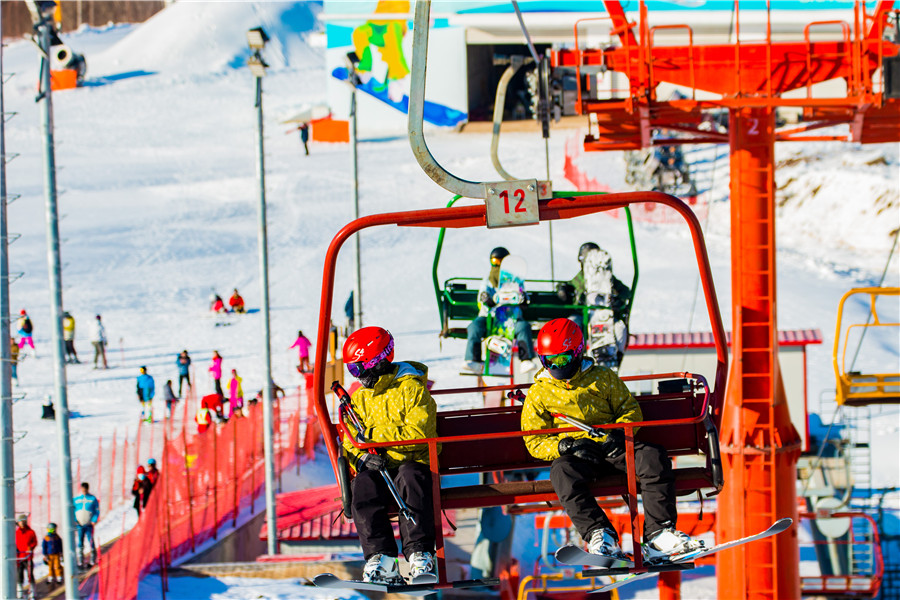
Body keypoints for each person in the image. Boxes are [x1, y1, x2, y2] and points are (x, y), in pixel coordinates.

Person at [520, 319, 703, 563]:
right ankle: (599, 534)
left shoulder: (602, 378)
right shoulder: (539, 393)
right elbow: (534, 439)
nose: (555, 365)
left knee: (652, 456)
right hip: (579, 457)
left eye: (561, 359)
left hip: (614, 449)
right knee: (561, 473)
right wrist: (564, 446)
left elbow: (630, 409)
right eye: (548, 360)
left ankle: (659, 534)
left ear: (576, 352)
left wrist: (619, 433)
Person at [340, 326, 439, 584]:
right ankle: (381, 558)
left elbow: (419, 431)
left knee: (411, 477)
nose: (358, 377)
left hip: (412, 463)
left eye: (360, 368)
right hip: (378, 469)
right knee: (362, 486)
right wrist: (361, 458)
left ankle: (419, 554)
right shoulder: (359, 399)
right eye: (353, 370)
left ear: (379, 360)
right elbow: (351, 440)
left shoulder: (412, 389)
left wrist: (373, 437)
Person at [465, 247, 537, 374]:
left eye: (500, 262)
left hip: (511, 318)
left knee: (523, 327)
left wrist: (523, 300)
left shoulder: (515, 281)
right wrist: (487, 299)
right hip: (489, 317)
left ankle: (525, 360)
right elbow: (482, 296)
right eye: (495, 261)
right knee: (474, 327)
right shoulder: (488, 280)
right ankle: (473, 359)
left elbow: (523, 296)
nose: (497, 265)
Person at [558, 242, 632, 364]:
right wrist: (562, 289)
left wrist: (618, 300)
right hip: (582, 314)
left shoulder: (607, 278)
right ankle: (573, 356)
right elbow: (569, 285)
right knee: (572, 324)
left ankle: (616, 355)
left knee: (620, 328)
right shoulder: (581, 277)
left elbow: (625, 291)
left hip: (604, 315)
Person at [73, 481, 100, 567]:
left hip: (89, 524)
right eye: (82, 489)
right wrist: (75, 520)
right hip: (80, 524)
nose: (84, 491)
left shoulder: (92, 499)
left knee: (90, 540)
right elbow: (72, 510)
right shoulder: (76, 499)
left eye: (85, 489)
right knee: (80, 541)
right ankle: (81, 560)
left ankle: (92, 559)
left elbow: (97, 510)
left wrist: (94, 520)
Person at [15, 514, 37, 597]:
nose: (22, 523)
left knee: (30, 575)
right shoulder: (16, 533)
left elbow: (34, 542)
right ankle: (20, 592)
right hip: (19, 557)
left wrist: (31, 547)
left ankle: (32, 592)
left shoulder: (30, 532)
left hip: (28, 557)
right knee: (19, 575)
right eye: (21, 522)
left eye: (24, 521)